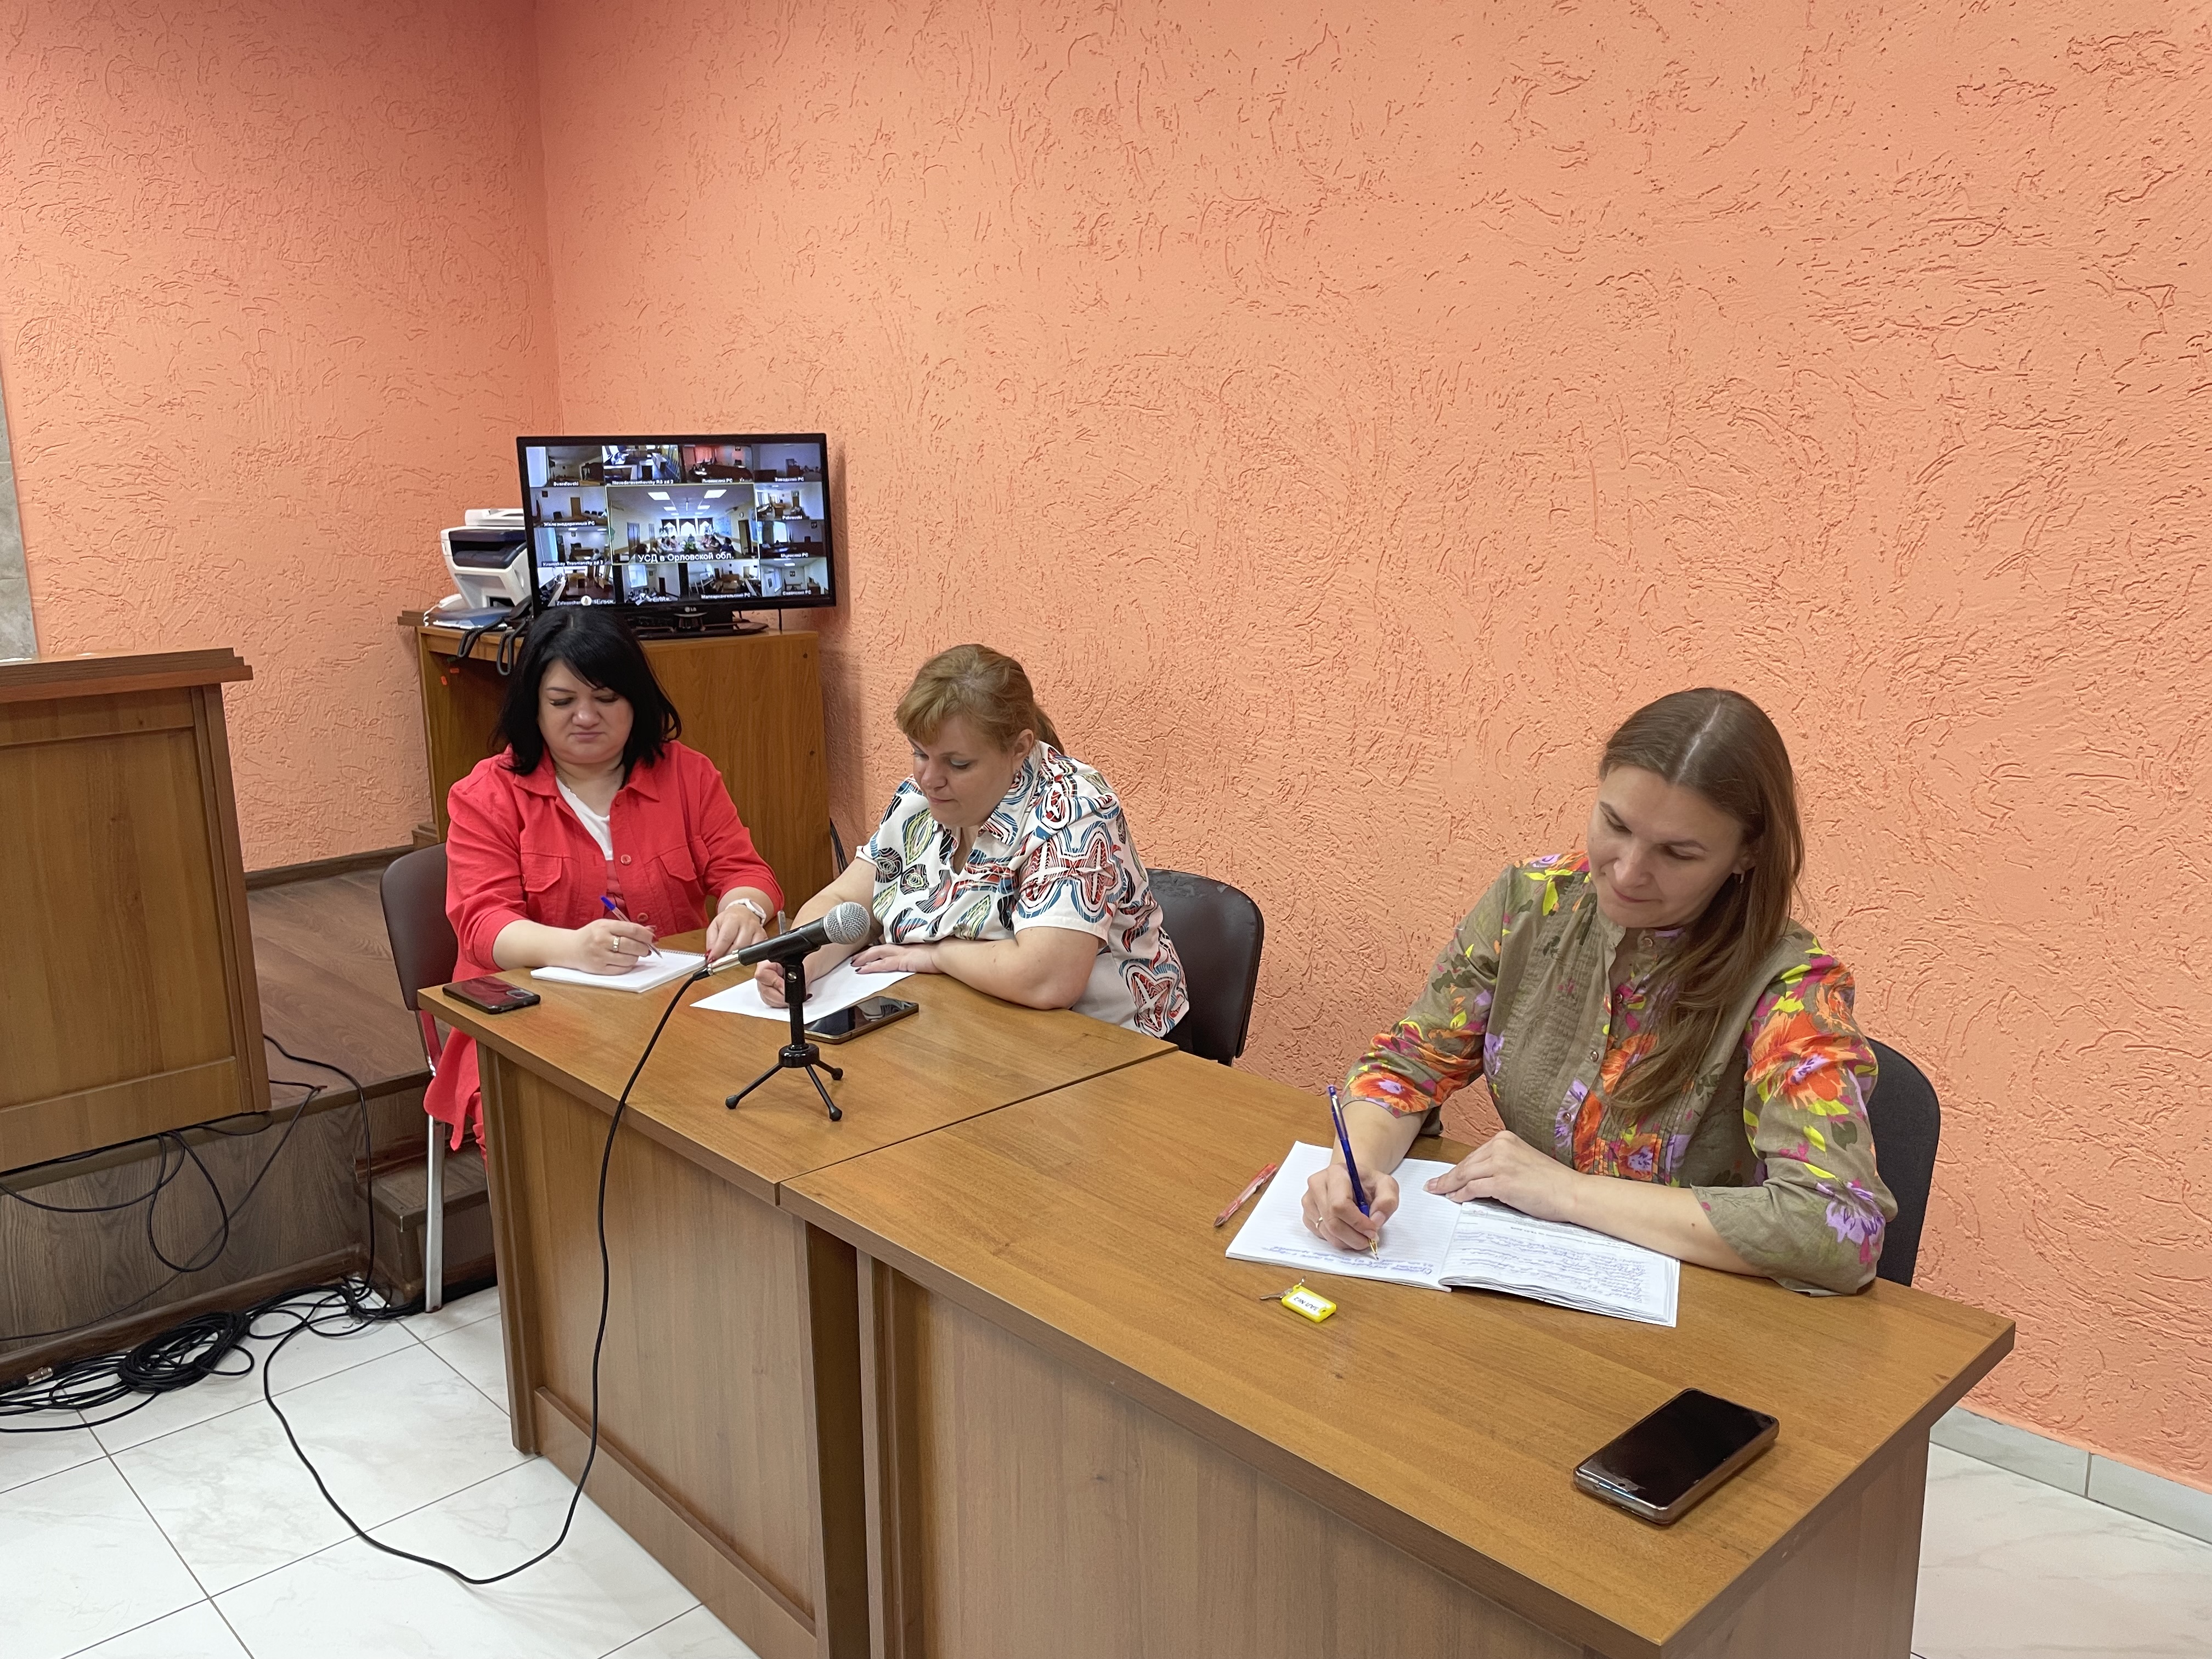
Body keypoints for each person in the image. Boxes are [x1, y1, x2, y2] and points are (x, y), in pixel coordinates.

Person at [1305, 688, 1895, 1294]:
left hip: (1701, 1313)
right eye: (1615, 824)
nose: (1628, 871)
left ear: (1747, 854)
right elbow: (1409, 1065)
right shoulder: (1533, 902)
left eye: (1678, 853)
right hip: (1517, 1282)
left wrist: (1570, 1194)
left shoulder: (1792, 989)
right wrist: (1357, 1164)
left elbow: (1837, 1227)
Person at [426, 609, 781, 1149]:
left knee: (746, 1110)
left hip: (675, 1011)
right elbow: (482, 924)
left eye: (607, 698)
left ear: (636, 700)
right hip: (531, 1024)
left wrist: (743, 909)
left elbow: (746, 871)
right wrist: (573, 948)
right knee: (556, 1137)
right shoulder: (486, 795)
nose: (586, 717)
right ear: (533, 706)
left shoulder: (687, 775)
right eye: (562, 701)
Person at [760, 644, 1189, 1034]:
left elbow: (1047, 980)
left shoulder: (1072, 811)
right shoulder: (920, 801)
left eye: (958, 764)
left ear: (1019, 748)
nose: (929, 779)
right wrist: (800, 962)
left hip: (1109, 1049)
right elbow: (847, 903)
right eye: (920, 753)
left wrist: (936, 956)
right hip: (968, 1028)